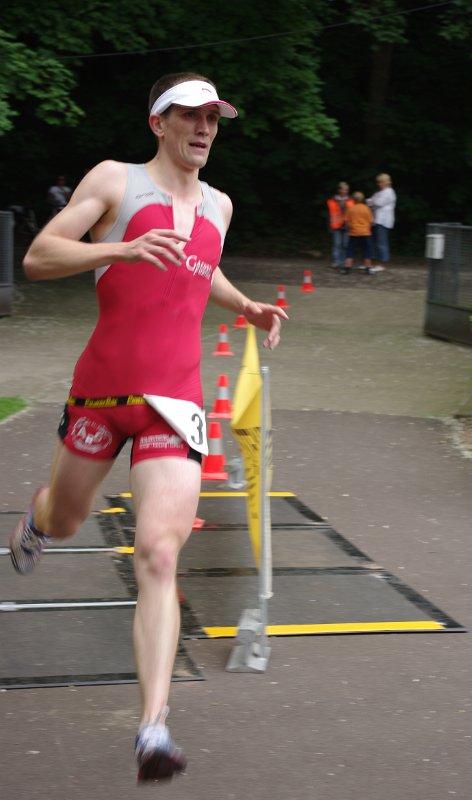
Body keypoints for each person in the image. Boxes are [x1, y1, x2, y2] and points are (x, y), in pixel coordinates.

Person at [10, 71, 287, 783]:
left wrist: (245, 305)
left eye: (213, 118)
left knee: (160, 554)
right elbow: (38, 257)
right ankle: (38, 518)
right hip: (101, 394)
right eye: (190, 116)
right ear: (158, 123)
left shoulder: (220, 205)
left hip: (174, 402)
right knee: (67, 517)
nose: (204, 129)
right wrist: (118, 250)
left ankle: (153, 728)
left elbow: (200, 268)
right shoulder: (116, 181)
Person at [366, 173, 396, 271]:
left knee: (382, 243)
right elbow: (369, 201)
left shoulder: (389, 192)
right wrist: (372, 202)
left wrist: (372, 202)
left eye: (381, 182)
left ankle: (382, 264)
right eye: (379, 182)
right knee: (375, 242)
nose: (379, 184)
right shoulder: (380, 192)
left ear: (386, 182)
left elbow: (377, 202)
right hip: (377, 220)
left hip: (383, 221)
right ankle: (374, 263)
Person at [342, 192, 373, 274]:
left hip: (353, 233)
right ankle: (368, 269)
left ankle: (347, 269)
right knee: (367, 250)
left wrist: (351, 228)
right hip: (365, 232)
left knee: (350, 250)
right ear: (362, 199)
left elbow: (347, 222)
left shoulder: (351, 209)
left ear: (353, 200)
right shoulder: (367, 208)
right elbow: (371, 221)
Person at [326, 181, 354, 268]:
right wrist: (330, 225)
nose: (345, 191)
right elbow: (330, 214)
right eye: (343, 190)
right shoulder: (332, 201)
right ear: (339, 190)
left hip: (347, 225)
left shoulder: (351, 200)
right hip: (336, 226)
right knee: (337, 244)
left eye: (346, 190)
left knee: (345, 244)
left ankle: (344, 262)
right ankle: (336, 262)